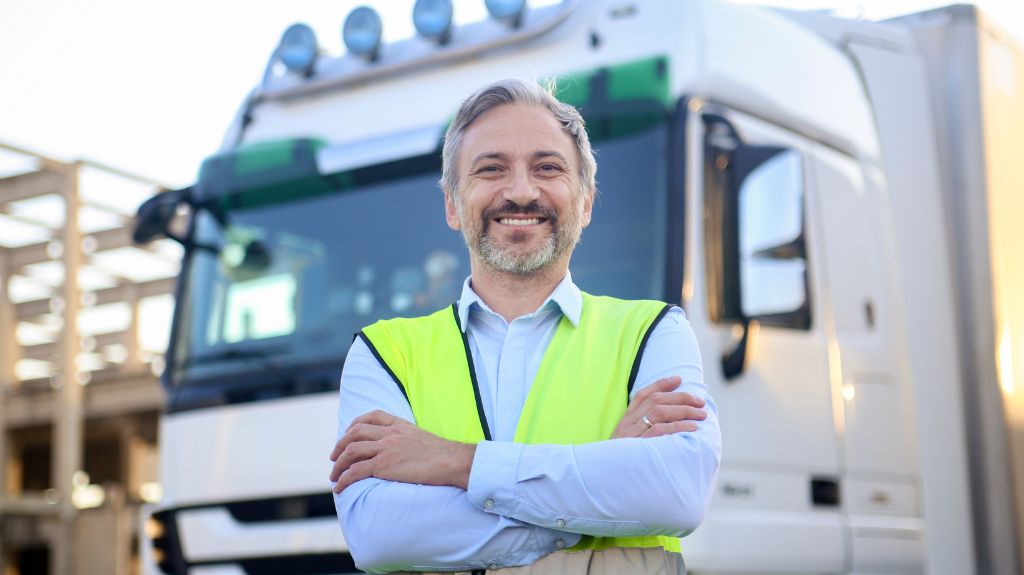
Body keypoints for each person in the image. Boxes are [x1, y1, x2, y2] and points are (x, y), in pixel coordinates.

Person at [329, 79, 721, 574]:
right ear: (452, 204)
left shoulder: (654, 332)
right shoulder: (384, 353)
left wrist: (454, 462)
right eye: (491, 169)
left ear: (585, 203)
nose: (519, 191)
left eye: (547, 168)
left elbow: (677, 494)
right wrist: (598, 498)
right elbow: (380, 535)